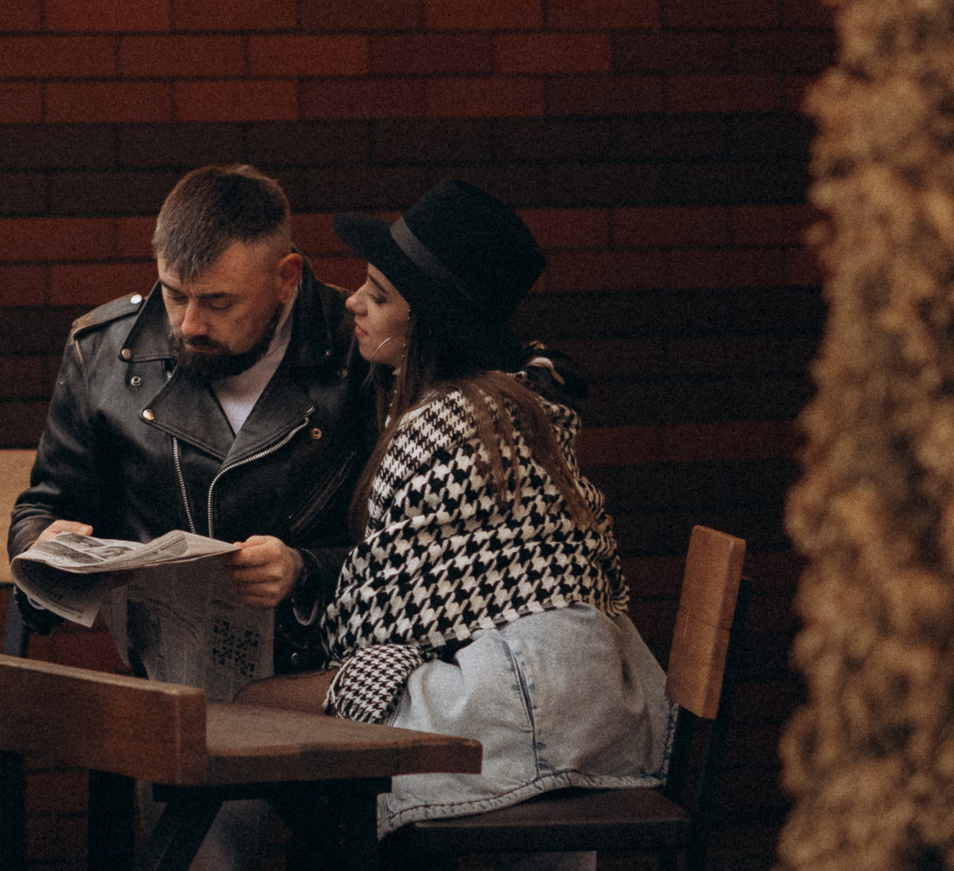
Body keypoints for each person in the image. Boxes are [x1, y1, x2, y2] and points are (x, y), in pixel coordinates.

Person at [239, 179, 672, 857]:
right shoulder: (510, 401)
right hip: (590, 690)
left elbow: (378, 620)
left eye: (378, 294)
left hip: (524, 699)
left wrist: (300, 583)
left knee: (254, 704)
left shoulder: (444, 426)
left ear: (427, 323)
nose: (352, 300)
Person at [11, 163, 376, 869]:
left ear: (287, 275)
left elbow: (406, 547)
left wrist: (304, 569)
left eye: (217, 300)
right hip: (177, 680)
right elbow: (46, 503)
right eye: (172, 293)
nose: (188, 323)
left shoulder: (361, 352)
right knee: (200, 832)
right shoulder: (104, 351)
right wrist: (46, 546)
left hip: (332, 669)